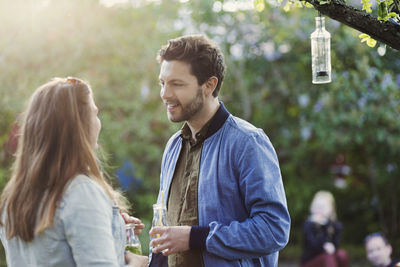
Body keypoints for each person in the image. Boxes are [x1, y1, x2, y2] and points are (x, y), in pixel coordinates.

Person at [148, 34, 291, 267]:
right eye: (162, 83)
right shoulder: (173, 146)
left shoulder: (247, 142)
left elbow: (274, 229)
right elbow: (166, 236)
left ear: (209, 85)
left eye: (177, 84)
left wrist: (195, 237)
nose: (164, 94)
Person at [0, 77, 148, 267]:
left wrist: (109, 225)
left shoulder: (14, 200)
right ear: (80, 126)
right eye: (94, 114)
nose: (98, 123)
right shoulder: (81, 193)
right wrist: (137, 264)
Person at [301, 190, 349, 267]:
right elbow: (314, 247)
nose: (319, 210)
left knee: (342, 254)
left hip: (329, 261)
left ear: (331, 209)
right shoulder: (308, 225)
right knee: (327, 257)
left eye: (322, 207)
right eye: (317, 206)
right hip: (310, 262)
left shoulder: (336, 226)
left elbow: (335, 246)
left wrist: (326, 225)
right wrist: (320, 227)